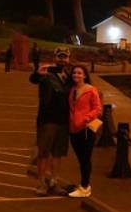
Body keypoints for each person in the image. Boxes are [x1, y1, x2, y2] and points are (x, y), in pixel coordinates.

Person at [29, 48, 71, 195]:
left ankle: (53, 182)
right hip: (47, 120)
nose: (62, 60)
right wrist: (37, 73)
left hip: (64, 121)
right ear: (55, 58)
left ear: (68, 59)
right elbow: (34, 79)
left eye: (65, 57)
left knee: (58, 153)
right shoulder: (46, 73)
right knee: (43, 153)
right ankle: (41, 184)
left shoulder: (69, 75)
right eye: (60, 57)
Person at [67, 64, 102, 198]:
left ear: (85, 75)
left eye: (79, 73)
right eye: (74, 73)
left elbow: (97, 108)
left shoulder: (91, 90)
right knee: (81, 159)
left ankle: (85, 187)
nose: (76, 75)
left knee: (85, 159)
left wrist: (87, 117)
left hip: (86, 129)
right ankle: (83, 184)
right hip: (73, 129)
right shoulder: (72, 89)